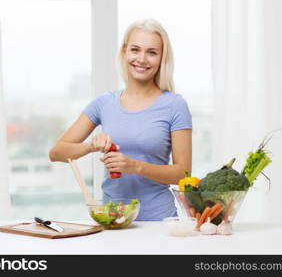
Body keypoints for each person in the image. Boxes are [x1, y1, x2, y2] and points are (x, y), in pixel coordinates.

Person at [49, 19, 192, 220]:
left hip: (159, 220)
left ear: (161, 58)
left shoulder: (175, 105)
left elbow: (183, 174)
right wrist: (91, 146)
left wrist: (135, 167)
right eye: (135, 50)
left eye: (152, 52)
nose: (142, 59)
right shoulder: (103, 103)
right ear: (124, 52)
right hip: (113, 218)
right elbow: (57, 153)